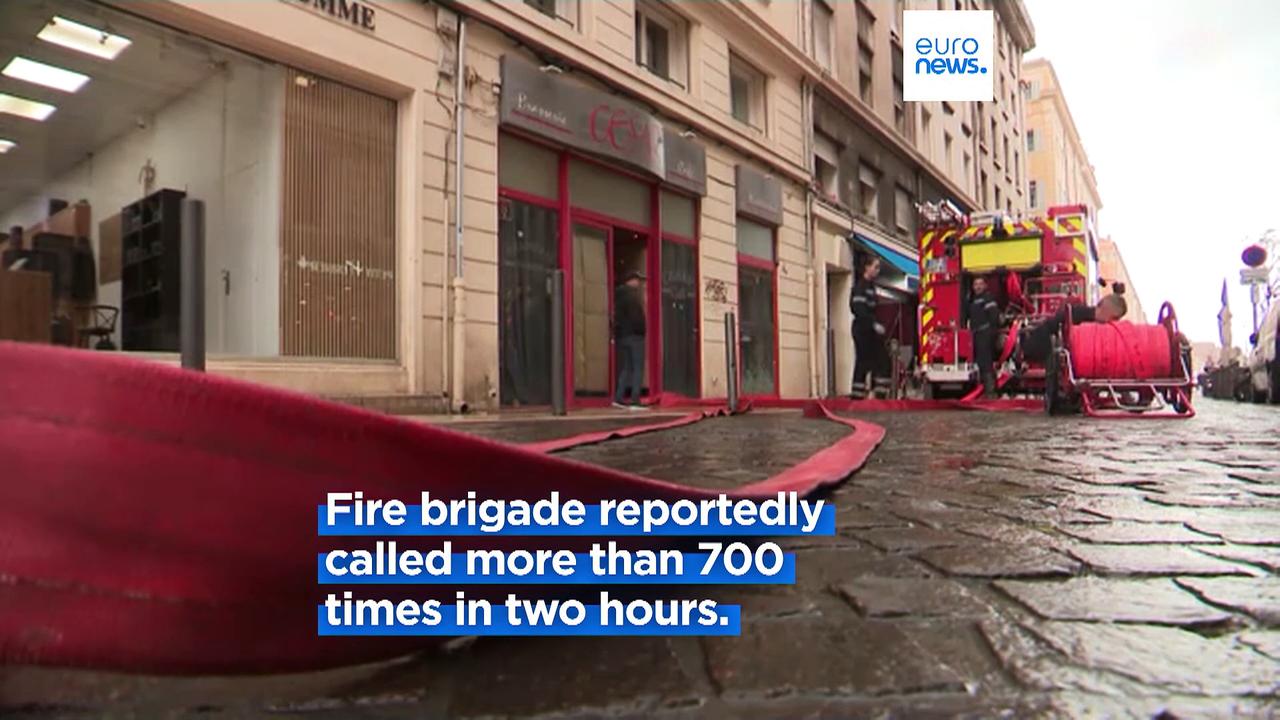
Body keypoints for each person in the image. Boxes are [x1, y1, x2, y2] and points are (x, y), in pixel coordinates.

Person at [1020, 293, 1128, 364]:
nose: (1113, 322)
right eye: (1115, 318)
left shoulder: (1080, 314)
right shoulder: (1078, 315)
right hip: (1046, 349)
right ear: (1109, 310)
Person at [850, 257, 891, 399]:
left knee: (882, 360)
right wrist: (872, 324)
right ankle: (858, 395)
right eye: (875, 267)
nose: (877, 270)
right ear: (867, 267)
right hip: (862, 329)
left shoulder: (871, 287)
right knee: (864, 361)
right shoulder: (861, 287)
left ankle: (879, 393)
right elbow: (858, 308)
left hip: (870, 329)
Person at [612, 271, 647, 410]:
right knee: (638, 368)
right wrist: (641, 331)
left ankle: (619, 397)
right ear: (631, 281)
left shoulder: (619, 295)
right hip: (634, 336)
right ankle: (635, 399)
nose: (639, 284)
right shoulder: (632, 296)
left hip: (623, 336)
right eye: (638, 281)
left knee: (626, 367)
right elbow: (636, 317)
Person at [968, 275, 1000, 397]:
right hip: (975, 335)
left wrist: (991, 333)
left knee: (986, 363)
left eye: (980, 284)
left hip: (985, 334)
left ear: (985, 286)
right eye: (976, 284)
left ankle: (990, 392)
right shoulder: (972, 300)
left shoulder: (988, 298)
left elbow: (994, 317)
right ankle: (981, 391)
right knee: (979, 363)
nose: (978, 286)